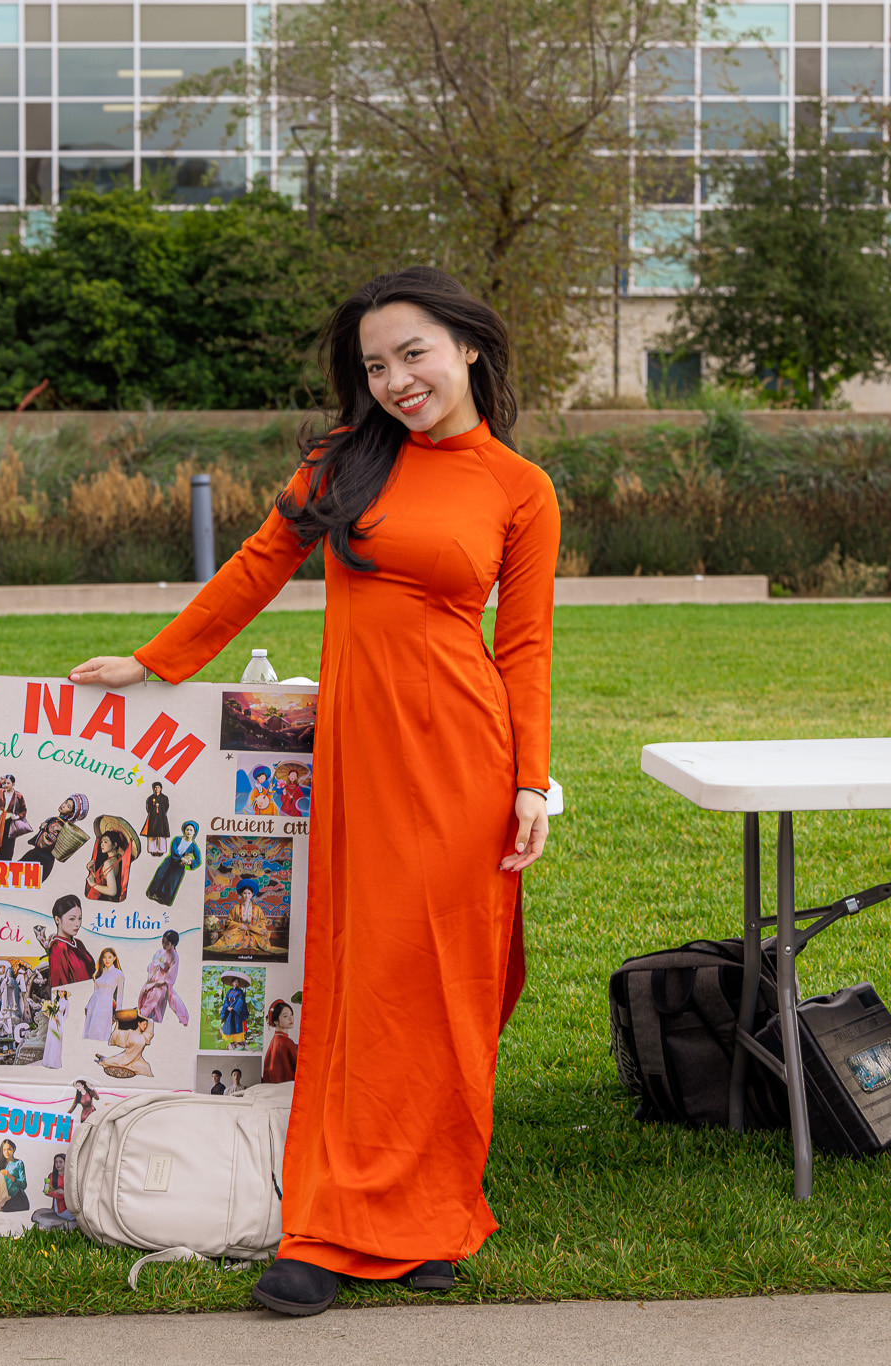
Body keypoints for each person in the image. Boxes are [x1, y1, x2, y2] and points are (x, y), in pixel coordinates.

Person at [69, 267, 556, 1315]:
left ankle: (432, 1212)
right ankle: (333, 1224)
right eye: (374, 365)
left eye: (411, 354)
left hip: (463, 757)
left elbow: (521, 647)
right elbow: (255, 564)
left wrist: (528, 782)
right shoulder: (344, 463)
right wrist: (158, 663)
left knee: (449, 989)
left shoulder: (519, 487)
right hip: (362, 755)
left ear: (467, 347)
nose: (394, 380)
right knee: (361, 979)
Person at [35, 895, 97, 988]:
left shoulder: (78, 943)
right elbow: (58, 986)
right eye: (72, 919)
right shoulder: (58, 948)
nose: (77, 924)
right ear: (57, 920)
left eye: (79, 918)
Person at [136, 930, 190, 1027]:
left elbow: (169, 978)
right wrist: (149, 981)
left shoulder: (174, 957)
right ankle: (141, 1019)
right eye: (163, 942)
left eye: (167, 943)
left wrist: (154, 984)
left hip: (161, 986)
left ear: (173, 943)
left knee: (154, 1003)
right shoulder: (160, 952)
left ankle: (140, 1019)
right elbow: (152, 966)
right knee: (143, 997)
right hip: (151, 982)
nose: (164, 945)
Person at [146, 822, 202, 906]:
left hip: (179, 867)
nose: (189, 832)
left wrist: (189, 862)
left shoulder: (194, 846)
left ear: (194, 833)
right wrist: (181, 858)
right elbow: (173, 851)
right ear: (184, 831)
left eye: (191, 830)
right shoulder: (177, 839)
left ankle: (164, 899)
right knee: (161, 875)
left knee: (171, 882)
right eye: (187, 830)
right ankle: (153, 893)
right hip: (169, 862)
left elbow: (198, 860)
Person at [83, 948, 124, 1042]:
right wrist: (88, 1006)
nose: (107, 960)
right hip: (93, 1004)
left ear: (114, 958)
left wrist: (117, 1013)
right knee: (90, 1031)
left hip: (106, 1005)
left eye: (109, 957)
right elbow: (95, 992)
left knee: (101, 1032)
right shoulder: (100, 973)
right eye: (104, 957)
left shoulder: (118, 974)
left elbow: (120, 995)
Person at [86, 827, 132, 902]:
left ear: (114, 845)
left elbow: (112, 891)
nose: (102, 845)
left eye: (106, 842)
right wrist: (91, 869)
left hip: (99, 899)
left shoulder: (108, 863)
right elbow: (103, 879)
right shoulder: (116, 859)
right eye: (101, 842)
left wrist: (92, 884)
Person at [264, 1000, 299, 1084]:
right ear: (276, 1021)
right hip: (285, 1088)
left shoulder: (276, 1040)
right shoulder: (285, 1042)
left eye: (291, 1015)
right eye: (285, 1016)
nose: (291, 1018)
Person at [38, 989, 70, 1069]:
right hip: (52, 1021)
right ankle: (48, 1061)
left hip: (59, 1021)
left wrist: (61, 1019)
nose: (60, 993)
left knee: (57, 1040)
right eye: (59, 992)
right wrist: (52, 1015)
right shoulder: (54, 1001)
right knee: (51, 1038)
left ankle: (55, 1062)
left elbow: (67, 1014)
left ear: (65, 993)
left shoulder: (66, 1002)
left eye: (62, 992)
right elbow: (48, 1010)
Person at [218, 978, 250, 1046]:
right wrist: (227, 1007)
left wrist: (234, 1007)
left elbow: (241, 1001)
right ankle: (228, 1039)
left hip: (236, 1012)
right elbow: (226, 1000)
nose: (236, 983)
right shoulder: (229, 991)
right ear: (232, 983)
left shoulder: (240, 992)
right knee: (228, 1024)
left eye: (237, 982)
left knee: (236, 1025)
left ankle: (237, 1040)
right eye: (235, 982)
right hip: (229, 1011)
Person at [143, 781, 171, 856]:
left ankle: (161, 850)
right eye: (155, 787)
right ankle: (153, 850)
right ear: (153, 788)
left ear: (161, 788)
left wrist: (161, 811)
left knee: (162, 833)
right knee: (152, 833)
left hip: (162, 818)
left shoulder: (164, 798)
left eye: (158, 787)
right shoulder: (150, 798)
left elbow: (166, 807)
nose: (156, 789)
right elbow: (148, 808)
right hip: (153, 818)